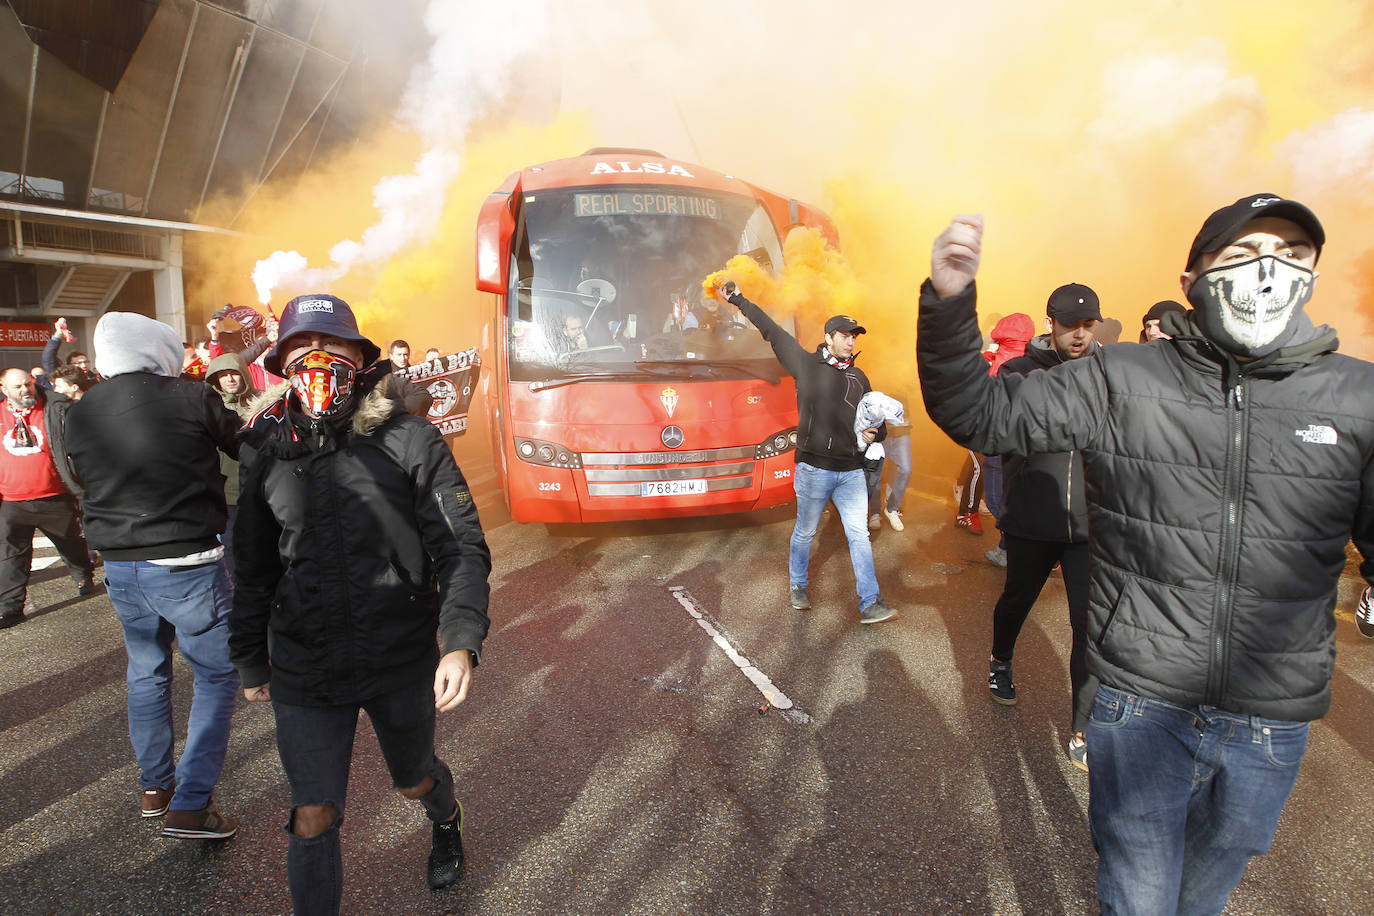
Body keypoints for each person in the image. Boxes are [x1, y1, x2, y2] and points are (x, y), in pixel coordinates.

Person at [917, 194, 1374, 916]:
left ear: (1315, 273)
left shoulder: (1359, 397)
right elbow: (983, 415)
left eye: (1290, 255)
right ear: (1192, 280)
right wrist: (949, 302)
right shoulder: (1121, 378)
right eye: (1240, 255)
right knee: (1137, 891)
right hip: (1141, 699)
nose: (1267, 273)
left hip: (1270, 717)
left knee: (1209, 887)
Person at [230, 293, 492, 912]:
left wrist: (459, 642)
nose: (318, 357)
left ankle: (445, 817)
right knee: (314, 813)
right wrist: (248, 657)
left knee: (411, 779)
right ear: (282, 360)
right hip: (305, 663)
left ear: (360, 357)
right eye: (301, 346)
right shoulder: (264, 448)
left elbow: (461, 549)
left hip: (396, 654)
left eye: (333, 345)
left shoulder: (410, 439)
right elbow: (253, 562)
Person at [66, 311, 242, 839]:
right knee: (214, 674)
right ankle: (192, 802)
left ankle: (154, 787)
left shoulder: (83, 408)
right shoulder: (190, 396)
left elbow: (76, 472)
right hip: (186, 561)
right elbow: (248, 446)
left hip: (121, 563)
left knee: (146, 670)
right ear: (158, 348)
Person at [716, 279, 896, 624]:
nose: (851, 340)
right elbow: (771, 330)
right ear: (828, 337)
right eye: (845, 335)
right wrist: (738, 299)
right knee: (805, 532)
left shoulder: (860, 377)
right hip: (814, 469)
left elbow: (877, 419)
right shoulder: (805, 365)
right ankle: (798, 585)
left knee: (858, 535)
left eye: (854, 335)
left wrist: (877, 433)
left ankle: (869, 602)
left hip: (851, 471)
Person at [983, 284, 1103, 773]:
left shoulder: (1108, 373)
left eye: (1088, 325)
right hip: (1034, 518)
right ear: (1049, 322)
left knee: (1089, 627)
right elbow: (1006, 425)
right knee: (1016, 601)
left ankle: (1083, 727)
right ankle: (1000, 658)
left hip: (1088, 526)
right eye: (1070, 324)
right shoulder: (1018, 371)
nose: (1079, 334)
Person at [0, 369, 95, 629]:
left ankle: (82, 573)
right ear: (4, 388)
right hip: (11, 501)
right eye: (18, 386)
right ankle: (10, 608)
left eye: (28, 384)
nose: (25, 390)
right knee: (11, 556)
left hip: (55, 496)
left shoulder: (56, 408)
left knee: (70, 544)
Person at [979, 312, 1035, 566]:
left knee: (995, 499)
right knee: (1018, 496)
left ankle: (1014, 546)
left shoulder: (997, 361)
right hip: (1025, 443)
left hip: (998, 441)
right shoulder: (1037, 360)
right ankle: (1008, 548)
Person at [205, 352, 260, 576]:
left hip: (259, 491)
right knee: (228, 550)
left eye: (234, 373)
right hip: (226, 494)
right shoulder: (207, 408)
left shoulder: (263, 404)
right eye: (223, 375)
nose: (229, 379)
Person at [381, 338, 435, 417]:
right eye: (399, 355)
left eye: (405, 354)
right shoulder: (385, 377)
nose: (403, 358)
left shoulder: (418, 373)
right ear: (391, 356)